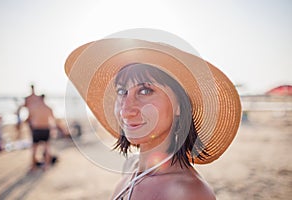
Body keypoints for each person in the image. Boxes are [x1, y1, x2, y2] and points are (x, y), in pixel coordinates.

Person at [64, 38, 241, 199]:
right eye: (121, 91)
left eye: (145, 91)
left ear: (179, 105)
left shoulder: (188, 192)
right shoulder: (131, 175)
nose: (126, 110)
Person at [23, 85, 56, 171]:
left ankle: (33, 166)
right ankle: (46, 166)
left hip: (37, 129)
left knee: (34, 149)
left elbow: (28, 119)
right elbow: (53, 120)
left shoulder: (34, 108)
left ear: (39, 99)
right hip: (46, 129)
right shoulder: (49, 108)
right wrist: (53, 130)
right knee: (47, 148)